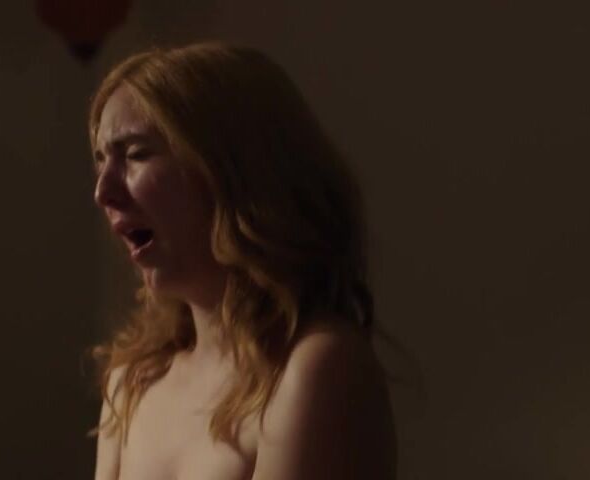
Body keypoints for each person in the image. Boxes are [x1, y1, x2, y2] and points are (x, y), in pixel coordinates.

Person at [89, 41, 397, 480]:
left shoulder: (313, 369)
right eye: (101, 159)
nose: (103, 192)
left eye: (137, 153)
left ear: (234, 172)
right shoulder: (132, 382)